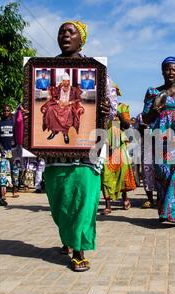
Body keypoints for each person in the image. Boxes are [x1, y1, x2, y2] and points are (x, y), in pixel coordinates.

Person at [43, 20, 117, 272]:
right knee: (60, 200)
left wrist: (106, 110)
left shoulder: (97, 70)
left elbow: (111, 106)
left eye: (70, 31)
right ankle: (68, 237)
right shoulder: (45, 69)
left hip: (87, 150)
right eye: (61, 31)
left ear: (81, 39)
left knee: (83, 199)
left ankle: (79, 250)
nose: (65, 35)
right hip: (55, 157)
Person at [142, 57, 175, 229]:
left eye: (174, 69)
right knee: (163, 174)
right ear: (162, 70)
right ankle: (164, 211)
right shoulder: (153, 92)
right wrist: (156, 108)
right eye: (167, 69)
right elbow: (146, 117)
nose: (171, 72)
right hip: (160, 136)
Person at [101, 97, 137, 214]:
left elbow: (126, 125)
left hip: (119, 144)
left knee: (122, 172)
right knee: (106, 174)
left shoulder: (122, 107)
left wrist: (117, 113)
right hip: (105, 145)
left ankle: (125, 196)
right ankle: (108, 204)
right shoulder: (100, 107)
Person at [41, 73, 85, 144]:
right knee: (50, 109)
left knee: (68, 111)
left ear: (69, 81)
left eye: (66, 81)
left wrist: (70, 102)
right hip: (59, 105)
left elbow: (79, 99)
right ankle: (54, 132)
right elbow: (53, 98)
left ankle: (65, 134)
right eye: (63, 81)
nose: (65, 82)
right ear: (62, 81)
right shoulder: (58, 89)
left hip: (68, 106)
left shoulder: (74, 89)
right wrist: (58, 101)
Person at [0, 105, 19, 199]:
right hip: (2, 151)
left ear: (10, 111)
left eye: (8, 111)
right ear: (2, 112)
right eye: (4, 111)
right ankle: (3, 192)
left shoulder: (14, 123)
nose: (6, 112)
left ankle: (15, 189)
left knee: (15, 171)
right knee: (2, 172)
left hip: (13, 151)